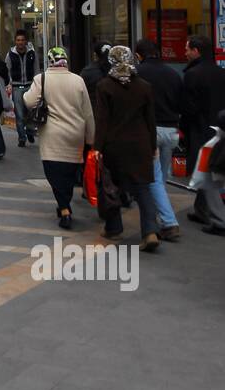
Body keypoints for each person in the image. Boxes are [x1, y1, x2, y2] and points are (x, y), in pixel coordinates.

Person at [93, 45, 160, 249]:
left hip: (114, 145)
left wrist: (97, 147)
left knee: (111, 188)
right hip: (140, 144)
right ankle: (149, 232)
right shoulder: (144, 86)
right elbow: (150, 120)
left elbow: (102, 119)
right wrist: (152, 145)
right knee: (142, 189)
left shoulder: (104, 86)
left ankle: (114, 228)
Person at [23, 47, 95, 229]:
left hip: (52, 134)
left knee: (53, 171)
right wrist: (91, 138)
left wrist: (25, 93)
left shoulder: (42, 79)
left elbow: (29, 101)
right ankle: (64, 203)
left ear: (49, 61)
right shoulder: (78, 80)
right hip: (75, 134)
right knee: (70, 172)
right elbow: (88, 113)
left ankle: (64, 209)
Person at [135, 37, 184, 241]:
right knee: (161, 177)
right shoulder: (173, 73)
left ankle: (168, 221)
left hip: (151, 131)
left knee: (153, 179)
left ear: (139, 55)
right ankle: (160, 215)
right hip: (171, 130)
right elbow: (181, 102)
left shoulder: (138, 74)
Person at [182, 35, 225, 228]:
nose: (185, 52)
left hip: (200, 129)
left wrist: (183, 129)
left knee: (206, 171)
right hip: (219, 127)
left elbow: (189, 108)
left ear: (196, 51)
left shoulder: (192, 75)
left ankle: (217, 219)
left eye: (187, 49)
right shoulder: (221, 72)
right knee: (207, 169)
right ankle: (201, 209)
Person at [6, 29, 38, 148]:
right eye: (18, 40)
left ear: (26, 41)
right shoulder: (10, 54)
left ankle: (30, 132)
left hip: (30, 86)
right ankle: (22, 138)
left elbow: (36, 69)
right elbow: (7, 70)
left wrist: (36, 85)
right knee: (19, 114)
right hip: (16, 87)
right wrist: (9, 84)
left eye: (22, 40)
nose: (20, 42)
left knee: (30, 112)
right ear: (15, 41)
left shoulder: (32, 53)